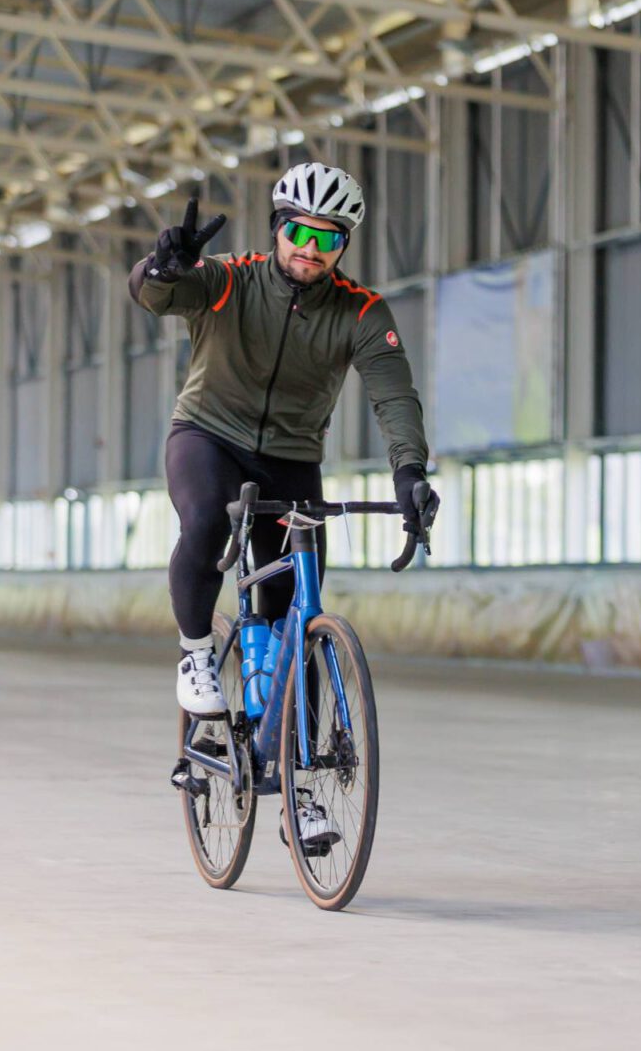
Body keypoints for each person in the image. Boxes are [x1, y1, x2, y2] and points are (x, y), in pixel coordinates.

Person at [130, 162, 438, 722]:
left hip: (292, 460)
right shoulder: (228, 280)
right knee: (206, 522)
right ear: (277, 228)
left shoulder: (362, 312)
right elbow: (154, 296)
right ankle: (197, 654)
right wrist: (162, 269)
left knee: (299, 614)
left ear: (343, 246)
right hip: (207, 436)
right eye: (299, 231)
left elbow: (394, 397)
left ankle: (306, 782)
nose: (311, 249)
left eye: (328, 238)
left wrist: (409, 472)